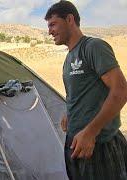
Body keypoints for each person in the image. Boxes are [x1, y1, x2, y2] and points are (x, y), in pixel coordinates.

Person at [45, 1, 127, 179]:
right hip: (77, 144)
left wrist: (91, 132)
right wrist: (71, 114)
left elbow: (121, 91)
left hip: (99, 145)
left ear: (69, 19)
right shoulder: (69, 58)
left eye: (53, 24)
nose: (49, 31)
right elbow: (81, 93)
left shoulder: (93, 47)